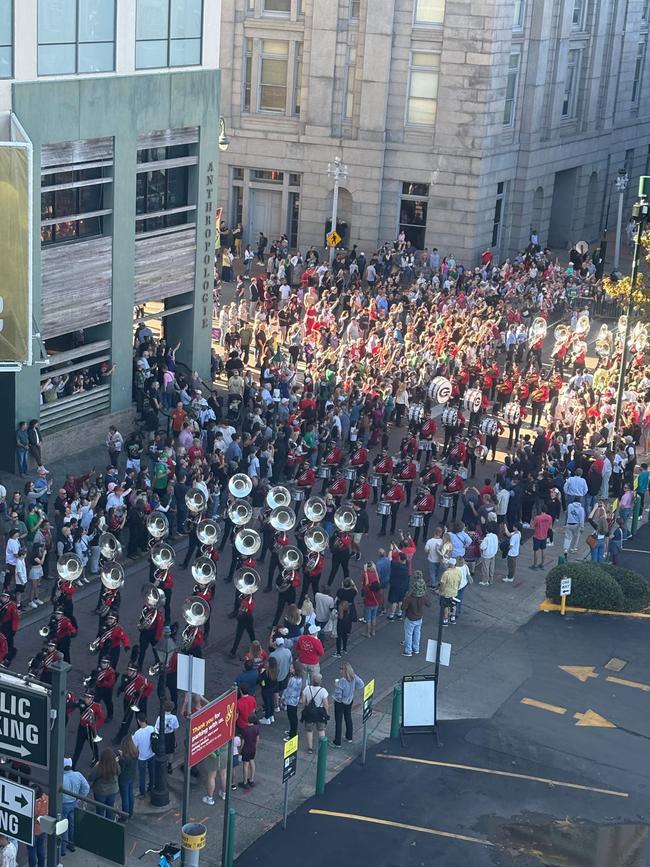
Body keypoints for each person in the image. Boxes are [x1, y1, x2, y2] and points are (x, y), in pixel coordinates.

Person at [331, 662, 364, 748]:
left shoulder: (341, 681)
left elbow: (338, 695)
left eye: (341, 669)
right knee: (348, 717)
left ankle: (337, 742)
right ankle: (349, 737)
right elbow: (361, 684)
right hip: (349, 700)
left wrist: (336, 685)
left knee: (338, 721)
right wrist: (353, 690)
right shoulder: (354, 677)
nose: (340, 671)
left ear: (344, 671)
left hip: (340, 703)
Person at [61, 758, 89, 855]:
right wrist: (80, 797)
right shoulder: (78, 775)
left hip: (63, 804)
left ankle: (62, 849)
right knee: (72, 824)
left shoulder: (61, 777)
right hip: (74, 802)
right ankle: (71, 844)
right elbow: (86, 787)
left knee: (63, 826)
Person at [401, 571, 430, 656]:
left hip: (410, 618)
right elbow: (429, 604)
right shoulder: (423, 597)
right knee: (417, 633)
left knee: (409, 634)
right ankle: (416, 648)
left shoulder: (410, 598)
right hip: (419, 617)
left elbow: (403, 607)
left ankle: (408, 650)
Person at [300, 672, 330, 754]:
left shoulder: (307, 688)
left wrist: (305, 708)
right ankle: (322, 748)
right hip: (320, 712)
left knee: (309, 730)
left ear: (312, 681)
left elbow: (303, 700)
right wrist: (326, 713)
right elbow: (325, 704)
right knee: (321, 729)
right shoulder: (323, 691)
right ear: (320, 681)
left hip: (309, 712)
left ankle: (310, 748)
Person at [88, 748, 120, 819]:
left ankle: (101, 825)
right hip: (112, 791)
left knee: (100, 810)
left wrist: (96, 765)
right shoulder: (115, 765)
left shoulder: (99, 767)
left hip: (100, 791)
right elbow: (119, 772)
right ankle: (109, 825)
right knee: (110, 809)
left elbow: (90, 777)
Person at [131, 713, 155, 798]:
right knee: (152, 772)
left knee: (142, 775)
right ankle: (151, 787)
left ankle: (142, 793)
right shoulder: (152, 728)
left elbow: (134, 746)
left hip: (142, 757)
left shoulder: (137, 733)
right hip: (152, 754)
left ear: (138, 721)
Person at [154, 700, 180, 773]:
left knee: (162, 750)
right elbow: (176, 727)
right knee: (171, 751)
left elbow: (156, 728)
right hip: (171, 735)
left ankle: (162, 765)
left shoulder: (160, 718)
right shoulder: (174, 717)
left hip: (162, 735)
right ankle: (169, 765)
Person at [117, 735, 138, 820]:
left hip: (124, 779)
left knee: (124, 797)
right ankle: (130, 813)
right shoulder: (135, 753)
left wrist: (118, 760)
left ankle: (124, 816)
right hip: (131, 776)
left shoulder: (123, 759)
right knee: (130, 794)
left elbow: (120, 770)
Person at [27, 786, 48, 867]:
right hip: (42, 828)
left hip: (32, 830)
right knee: (41, 849)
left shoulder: (32, 803)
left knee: (31, 851)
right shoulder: (45, 797)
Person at [281, 662, 302, 740]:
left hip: (290, 701)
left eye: (292, 668)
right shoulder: (299, 678)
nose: (290, 669)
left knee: (291, 717)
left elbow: (288, 691)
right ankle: (293, 731)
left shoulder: (292, 679)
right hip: (295, 700)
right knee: (293, 717)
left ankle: (292, 735)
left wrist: (283, 698)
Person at [239, 712, 260, 789]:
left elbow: (243, 742)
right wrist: (255, 746)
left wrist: (240, 750)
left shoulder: (245, 730)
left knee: (245, 765)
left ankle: (244, 782)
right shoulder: (256, 728)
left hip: (246, 749)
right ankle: (251, 779)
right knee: (252, 762)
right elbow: (258, 739)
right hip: (253, 748)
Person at [438, 560, 461, 626]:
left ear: (449, 564)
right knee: (453, 605)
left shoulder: (446, 573)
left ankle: (445, 620)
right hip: (455, 591)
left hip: (446, 593)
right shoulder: (458, 571)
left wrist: (440, 591)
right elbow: (459, 581)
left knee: (446, 606)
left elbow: (442, 584)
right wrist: (457, 588)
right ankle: (452, 618)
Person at [531, 506, 553, 570]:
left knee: (536, 551)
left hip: (537, 536)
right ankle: (542, 564)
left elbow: (533, 526)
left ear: (541, 510)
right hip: (544, 536)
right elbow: (550, 527)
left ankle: (535, 565)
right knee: (543, 550)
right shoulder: (549, 517)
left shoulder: (537, 518)